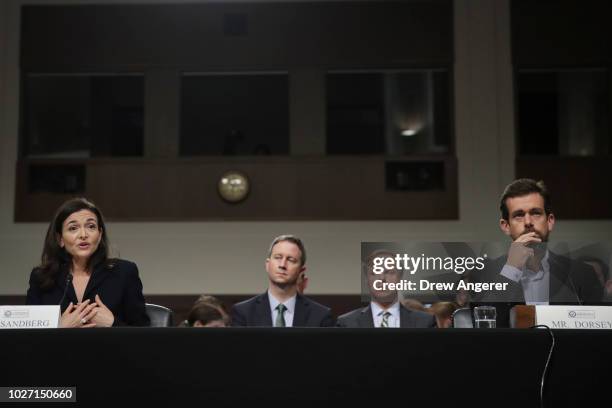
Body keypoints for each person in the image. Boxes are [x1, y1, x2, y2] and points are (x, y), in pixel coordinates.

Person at [471, 179, 603, 325]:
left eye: (536, 213)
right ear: (506, 226)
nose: (528, 222)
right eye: (518, 215)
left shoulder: (581, 274)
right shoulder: (483, 274)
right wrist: (511, 269)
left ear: (550, 221)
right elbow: (483, 329)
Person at [26, 198, 150, 327]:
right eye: (73, 228)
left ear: (100, 234)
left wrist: (112, 324)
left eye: (91, 226)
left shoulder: (124, 272)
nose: (83, 235)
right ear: (60, 239)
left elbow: (144, 336)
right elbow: (28, 338)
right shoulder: (41, 278)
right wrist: (60, 327)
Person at [231, 235, 334, 327]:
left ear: (301, 270)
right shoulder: (243, 312)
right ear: (267, 265)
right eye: (278, 257)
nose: (282, 265)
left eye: (291, 260)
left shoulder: (320, 315)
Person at [337, 250, 436, 328]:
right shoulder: (346, 323)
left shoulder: (424, 322)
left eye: (389, 272)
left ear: (400, 278)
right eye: (375, 272)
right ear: (366, 280)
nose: (382, 279)